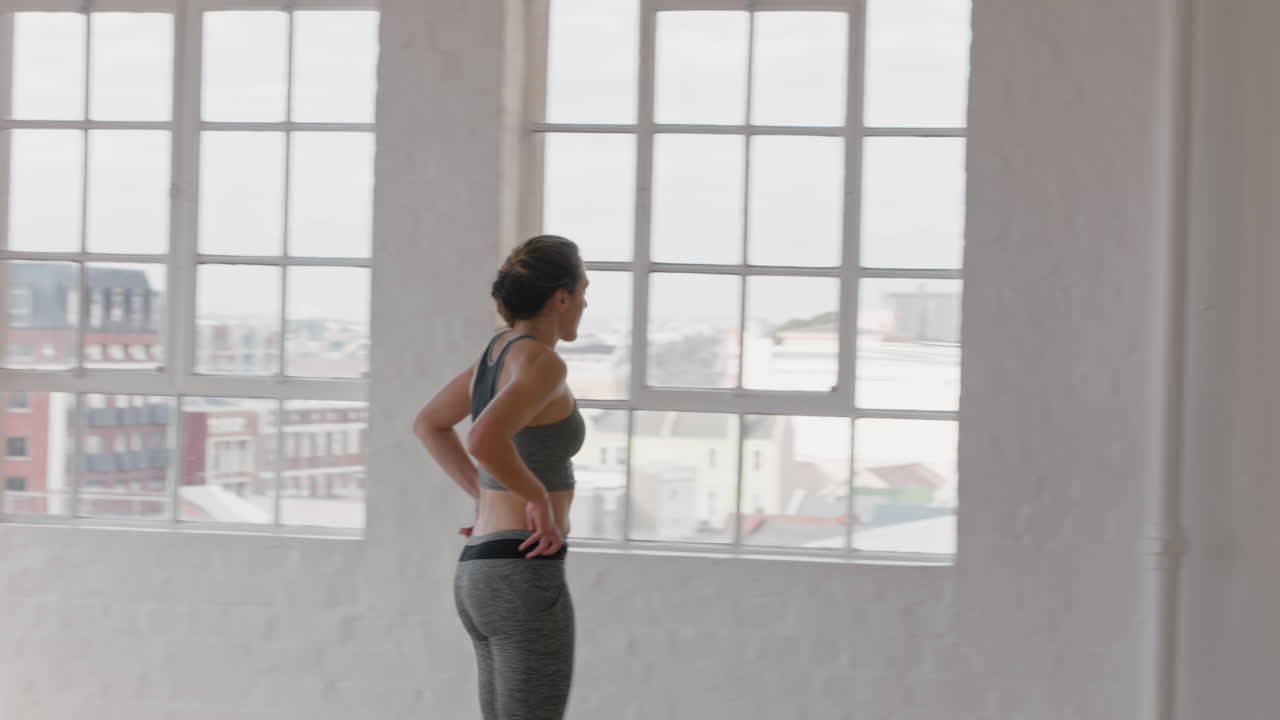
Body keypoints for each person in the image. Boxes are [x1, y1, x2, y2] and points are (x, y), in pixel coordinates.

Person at [413, 235, 588, 720]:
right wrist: (537, 501)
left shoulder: (497, 353)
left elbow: (430, 424)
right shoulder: (541, 360)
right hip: (521, 571)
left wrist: (483, 498)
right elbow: (482, 438)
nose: (586, 304)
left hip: (480, 569)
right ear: (561, 298)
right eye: (583, 290)